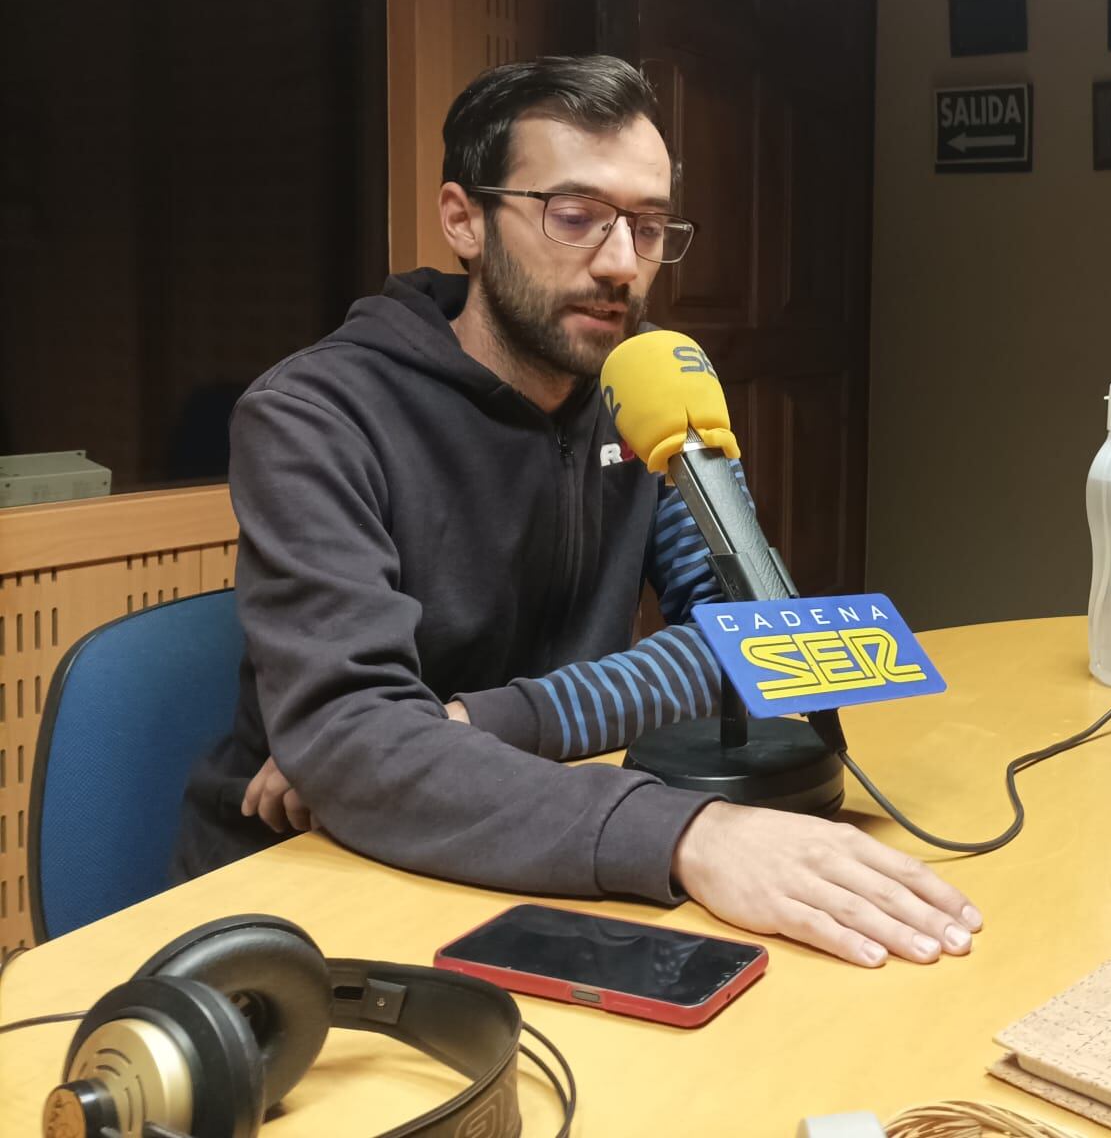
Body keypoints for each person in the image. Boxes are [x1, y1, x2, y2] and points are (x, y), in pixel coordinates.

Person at [173, 55, 980, 969]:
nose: (621, 265)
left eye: (648, 225)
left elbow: (762, 636)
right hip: (306, 889)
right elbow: (355, 741)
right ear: (463, 220)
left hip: (545, 839)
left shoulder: (646, 388)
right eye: (576, 217)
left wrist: (475, 727)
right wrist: (688, 836)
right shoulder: (315, 416)